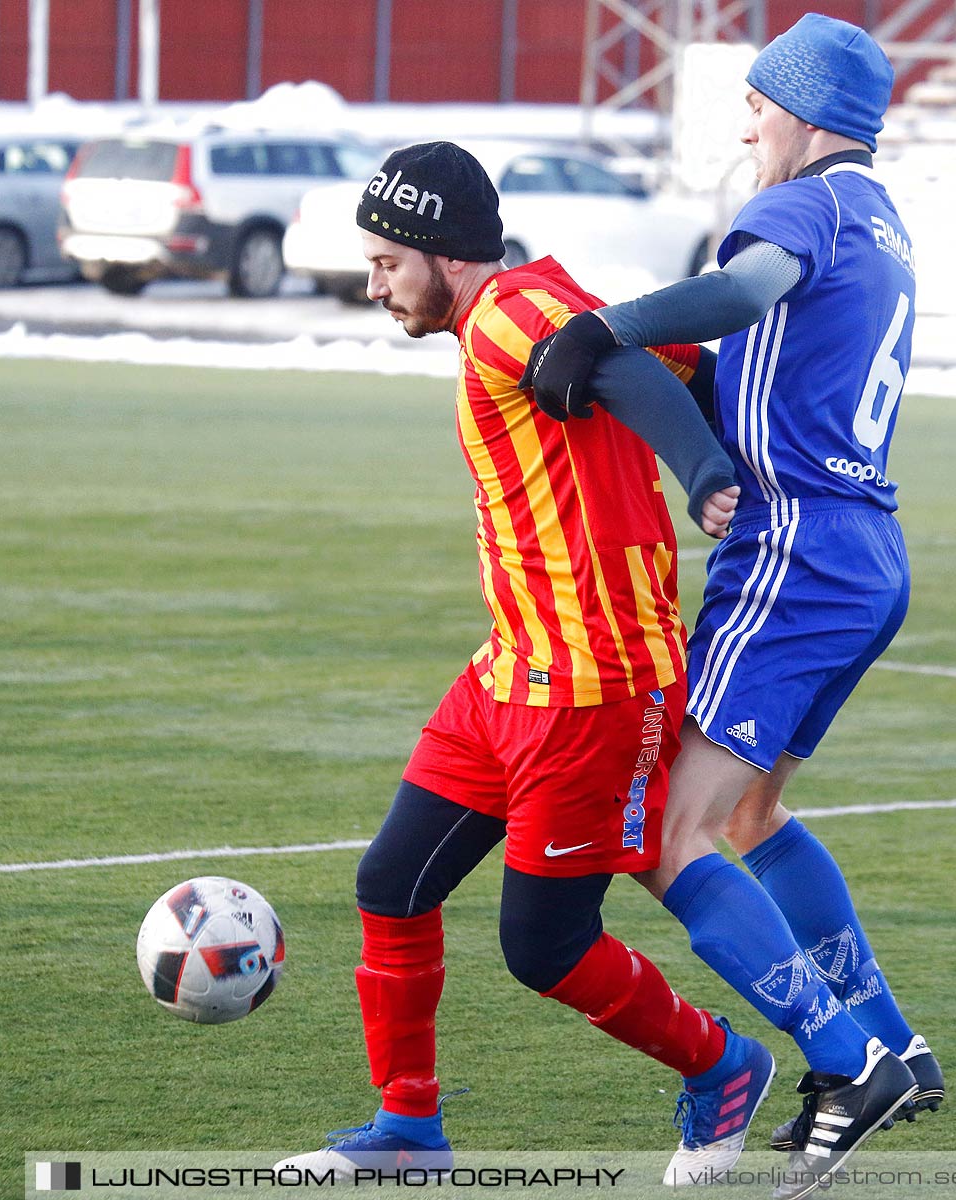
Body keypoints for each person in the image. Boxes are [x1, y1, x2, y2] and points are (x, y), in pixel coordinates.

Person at [276, 141, 774, 1180]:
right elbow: (690, 363)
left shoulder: (507, 313)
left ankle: (721, 1065)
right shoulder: (533, 299)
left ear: (443, 254)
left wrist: (703, 474)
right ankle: (409, 1129)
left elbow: (637, 368)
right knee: (393, 884)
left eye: (384, 263)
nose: (373, 287)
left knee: (545, 946)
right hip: (508, 674)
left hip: (590, 691)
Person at [525, 14, 944, 1191]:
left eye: (759, 101)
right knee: (750, 817)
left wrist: (607, 327)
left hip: (795, 553)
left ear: (808, 114)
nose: (746, 119)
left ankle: (848, 1060)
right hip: (865, 552)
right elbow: (774, 359)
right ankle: (891, 1042)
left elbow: (743, 288)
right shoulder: (881, 217)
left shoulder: (801, 206)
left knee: (669, 830)